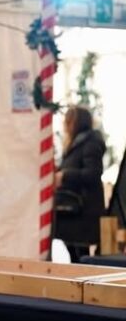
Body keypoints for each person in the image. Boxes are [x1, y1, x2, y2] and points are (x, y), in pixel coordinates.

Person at [54, 106, 106, 262]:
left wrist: (64, 175)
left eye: (67, 121)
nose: (64, 125)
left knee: (80, 257)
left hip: (82, 210)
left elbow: (93, 173)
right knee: (75, 255)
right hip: (73, 211)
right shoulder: (78, 144)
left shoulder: (89, 143)